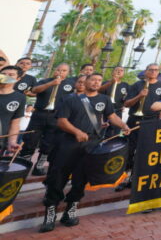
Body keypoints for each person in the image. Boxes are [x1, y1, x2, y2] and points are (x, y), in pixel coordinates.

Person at [39, 73, 130, 232]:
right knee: (58, 177)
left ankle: (70, 210)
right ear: (85, 82)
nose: (96, 82)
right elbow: (62, 121)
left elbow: (111, 116)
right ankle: (51, 212)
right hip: (68, 143)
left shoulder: (104, 99)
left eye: (99, 80)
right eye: (93, 79)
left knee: (81, 179)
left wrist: (123, 126)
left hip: (91, 144)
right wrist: (76, 132)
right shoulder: (71, 100)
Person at [117, 63, 161, 191]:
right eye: (151, 70)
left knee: (144, 152)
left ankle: (137, 179)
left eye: (156, 70)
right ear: (146, 71)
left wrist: (159, 122)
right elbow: (127, 104)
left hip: (151, 122)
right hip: (134, 120)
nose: (154, 72)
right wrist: (139, 95)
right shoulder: (136, 85)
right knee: (129, 151)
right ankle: (124, 179)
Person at [23, 63, 76, 175]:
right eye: (58, 69)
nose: (60, 72)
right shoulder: (45, 81)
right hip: (39, 114)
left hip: (56, 116)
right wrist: (51, 83)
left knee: (49, 143)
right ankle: (24, 165)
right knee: (30, 140)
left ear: (68, 73)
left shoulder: (71, 84)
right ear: (54, 70)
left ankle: (39, 166)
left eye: (64, 70)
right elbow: (35, 90)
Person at [0, 65, 25, 153]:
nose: (6, 76)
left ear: (18, 79)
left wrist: (12, 142)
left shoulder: (20, 98)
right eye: (3, 74)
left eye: (11, 75)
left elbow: (15, 123)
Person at [99, 66, 130, 138]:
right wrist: (111, 82)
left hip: (117, 112)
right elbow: (99, 92)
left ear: (123, 73)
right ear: (112, 72)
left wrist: (125, 100)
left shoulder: (125, 85)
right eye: (117, 70)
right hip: (104, 112)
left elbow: (127, 100)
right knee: (101, 133)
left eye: (121, 70)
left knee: (114, 134)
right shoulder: (105, 83)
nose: (119, 72)